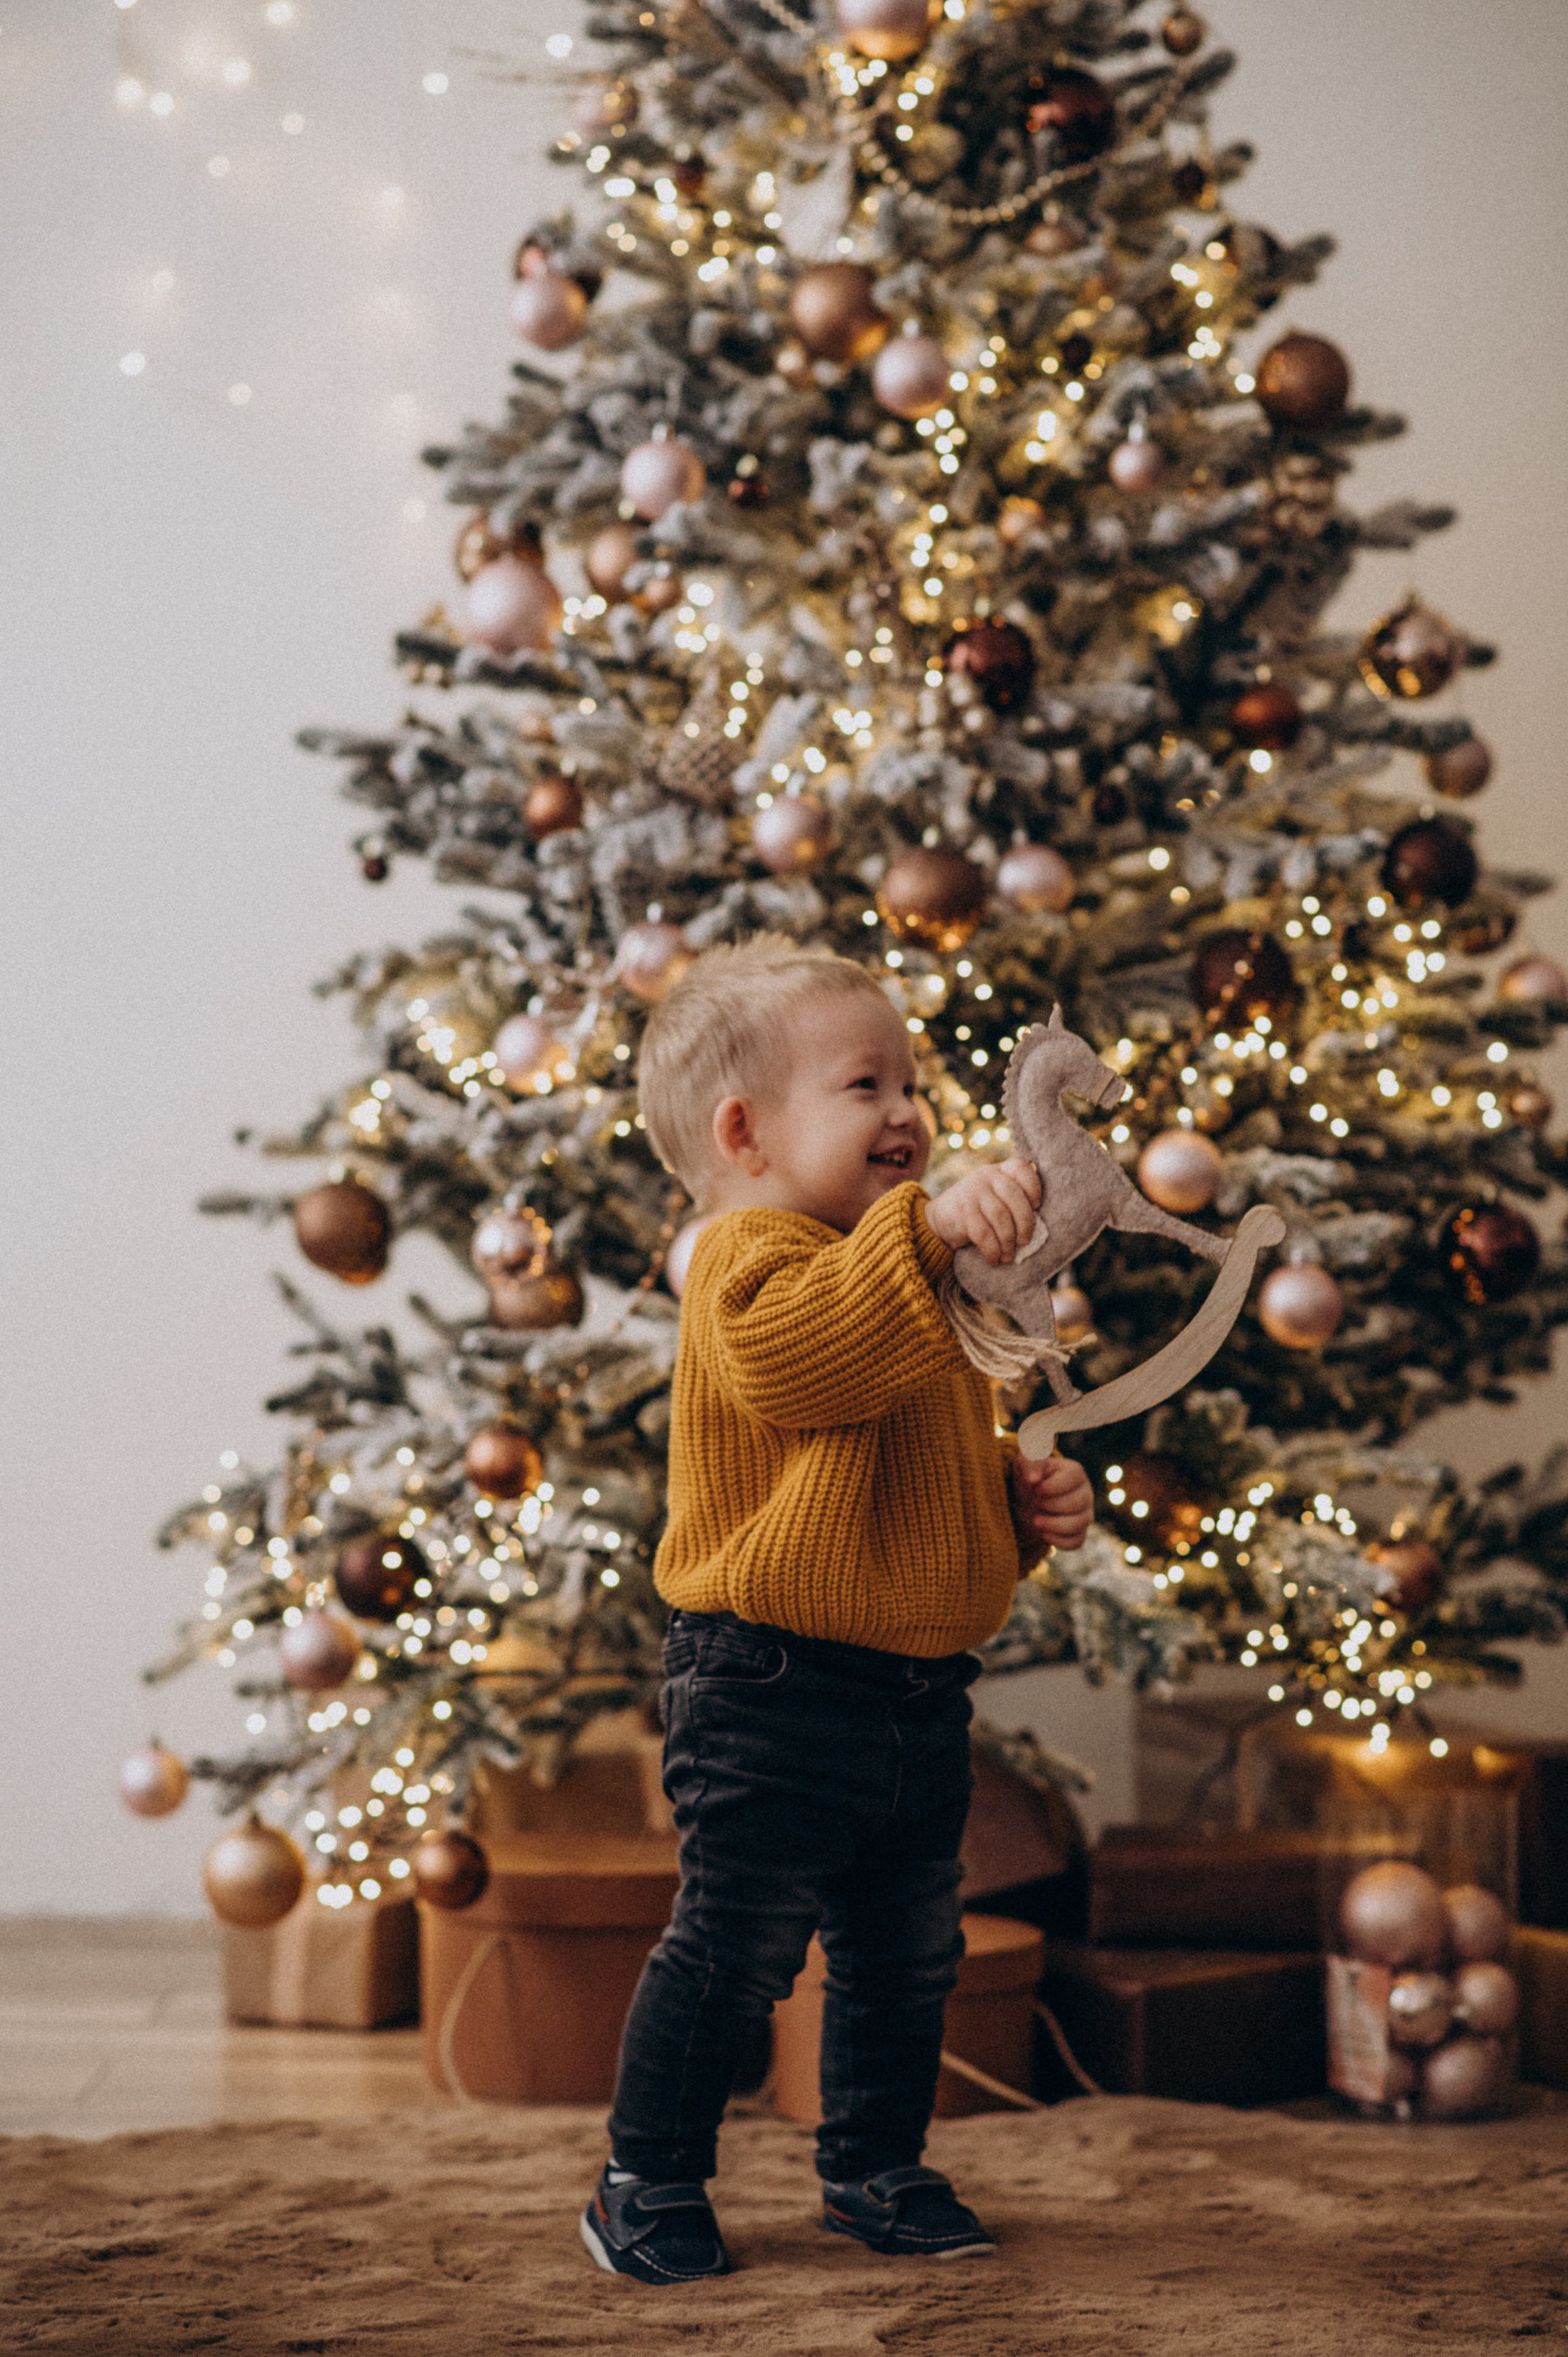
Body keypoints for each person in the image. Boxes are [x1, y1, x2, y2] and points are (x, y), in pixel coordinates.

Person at [581, 937, 1093, 2283]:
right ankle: (645, 2175)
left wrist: (1011, 1511)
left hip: (911, 1691)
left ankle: (873, 2165)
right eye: (864, 1083)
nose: (908, 1112)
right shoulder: (741, 1262)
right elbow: (800, 1370)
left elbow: (897, 1482)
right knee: (737, 1945)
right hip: (765, 1683)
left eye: (910, 1080)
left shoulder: (897, 1282)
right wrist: (921, 1230)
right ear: (742, 1132)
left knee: (902, 1953)